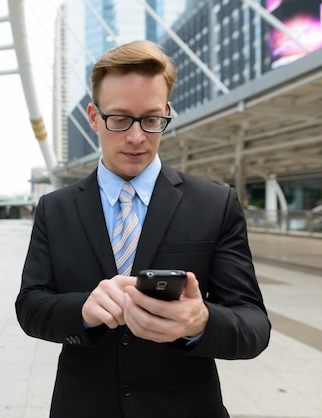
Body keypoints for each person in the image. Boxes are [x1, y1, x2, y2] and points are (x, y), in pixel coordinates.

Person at [15, 40, 271, 418]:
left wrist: (201, 321)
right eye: (119, 119)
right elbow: (30, 305)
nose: (136, 137)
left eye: (151, 120)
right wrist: (83, 309)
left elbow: (254, 325)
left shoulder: (215, 204)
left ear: (167, 113)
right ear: (93, 117)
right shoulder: (56, 208)